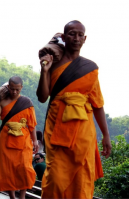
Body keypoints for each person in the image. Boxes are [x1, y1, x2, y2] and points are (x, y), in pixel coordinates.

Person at [36, 20, 112, 198]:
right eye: (71, 34)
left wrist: (106, 135)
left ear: (84, 39)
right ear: (63, 37)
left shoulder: (90, 68)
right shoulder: (53, 63)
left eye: (80, 35)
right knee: (54, 178)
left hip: (83, 131)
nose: (76, 38)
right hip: (57, 126)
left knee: (81, 176)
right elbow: (42, 97)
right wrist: (44, 71)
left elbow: (98, 104)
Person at [0, 76, 38, 199]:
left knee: (25, 169)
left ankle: (22, 196)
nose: (14, 92)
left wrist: (35, 142)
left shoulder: (27, 103)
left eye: (17, 89)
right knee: (8, 170)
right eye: (12, 89)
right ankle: (12, 196)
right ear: (8, 88)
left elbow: (31, 125)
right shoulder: (2, 101)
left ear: (21, 87)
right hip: (6, 140)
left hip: (24, 141)